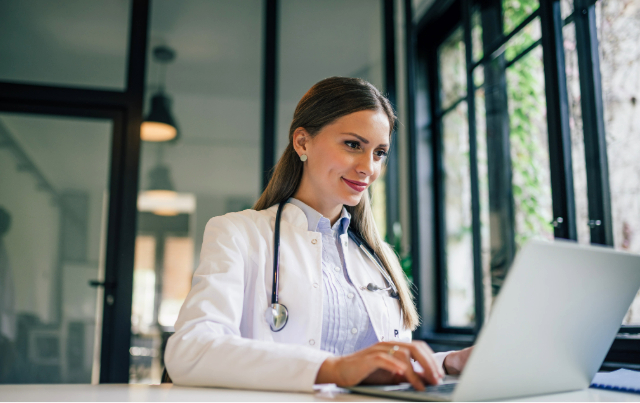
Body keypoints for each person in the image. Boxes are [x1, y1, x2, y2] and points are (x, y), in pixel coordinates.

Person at [164, 77, 472, 392]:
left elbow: (386, 367)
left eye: (379, 153)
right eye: (354, 145)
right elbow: (191, 351)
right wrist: (335, 369)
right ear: (302, 143)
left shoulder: (378, 258)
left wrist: (447, 363)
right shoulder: (238, 233)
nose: (369, 167)